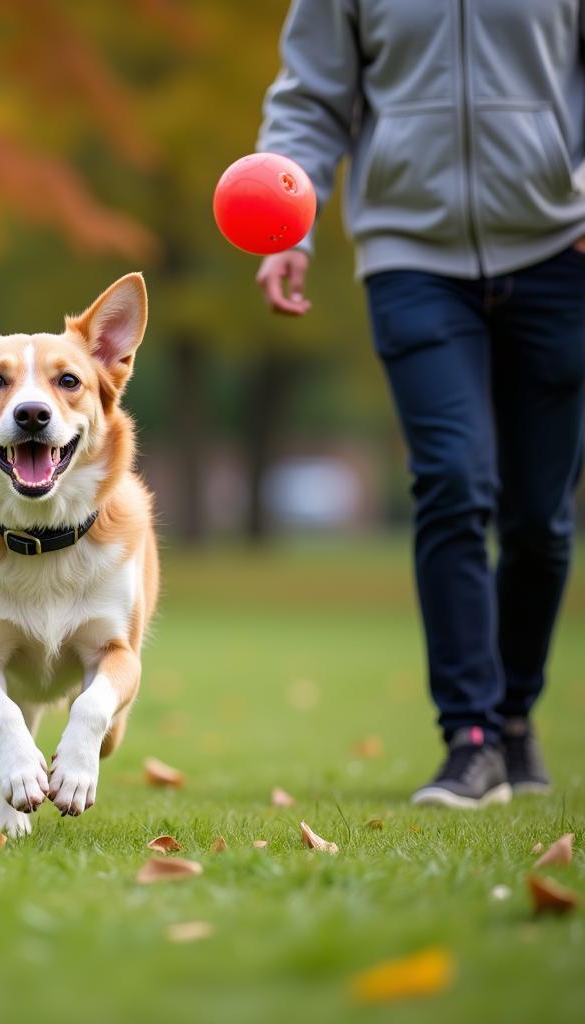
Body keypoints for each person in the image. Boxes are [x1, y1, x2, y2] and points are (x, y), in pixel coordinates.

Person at [255, 0, 585, 808]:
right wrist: (289, 221)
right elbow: (312, 96)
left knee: (541, 518)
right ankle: (469, 736)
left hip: (559, 251)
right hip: (411, 256)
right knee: (452, 480)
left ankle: (513, 714)